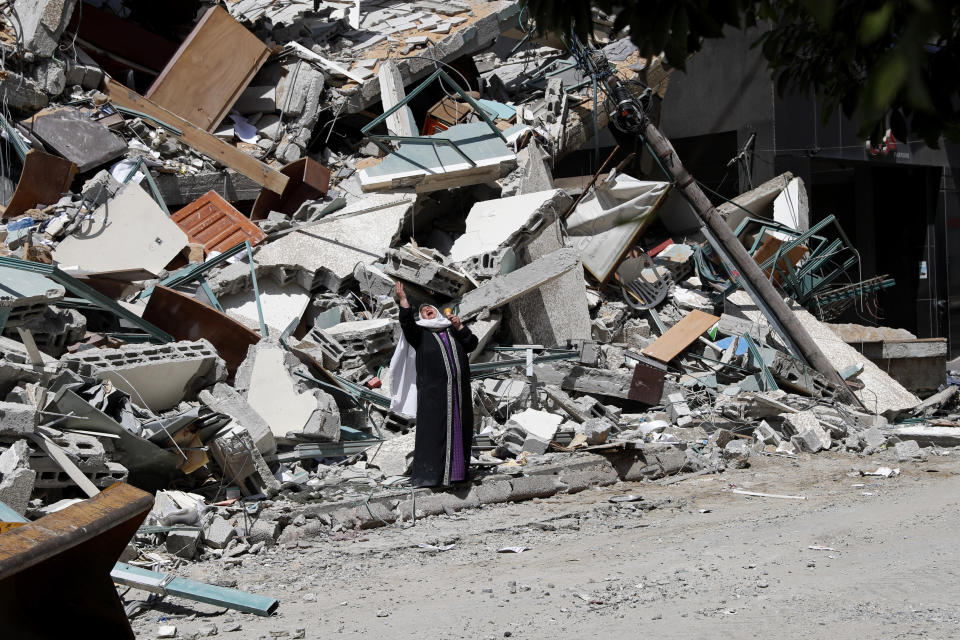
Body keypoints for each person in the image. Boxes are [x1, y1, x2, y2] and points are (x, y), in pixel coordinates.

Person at [388, 281, 478, 487]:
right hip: (434, 395)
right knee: (435, 434)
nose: (426, 310)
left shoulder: (452, 330)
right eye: (423, 311)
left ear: (437, 312)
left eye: (430, 308)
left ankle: (456, 474)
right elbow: (407, 325)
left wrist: (459, 326)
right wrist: (403, 300)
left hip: (458, 393)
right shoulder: (420, 334)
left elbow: (471, 344)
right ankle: (432, 477)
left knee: (458, 430)